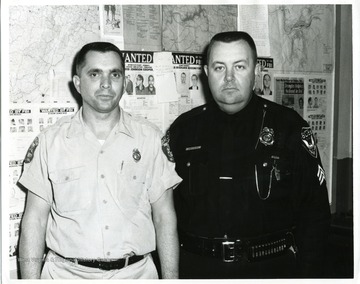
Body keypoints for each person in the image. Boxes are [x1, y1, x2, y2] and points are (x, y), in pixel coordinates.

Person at [168, 31, 331, 279]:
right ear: (206, 72)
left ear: (255, 71)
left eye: (240, 66)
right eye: (219, 67)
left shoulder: (289, 128)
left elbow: (315, 216)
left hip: (270, 269)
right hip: (197, 269)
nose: (229, 78)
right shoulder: (183, 130)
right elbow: (165, 211)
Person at [18, 42, 182, 280]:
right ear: (77, 83)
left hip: (135, 274)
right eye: (95, 74)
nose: (106, 84)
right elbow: (34, 221)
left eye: (114, 74)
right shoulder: (50, 142)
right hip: (66, 275)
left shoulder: (150, 139)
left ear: (124, 81)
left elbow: (164, 217)